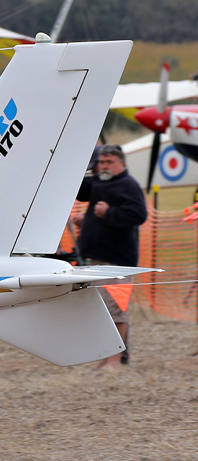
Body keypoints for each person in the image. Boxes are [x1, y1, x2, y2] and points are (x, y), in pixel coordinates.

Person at [72, 143, 148, 370]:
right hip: (96, 259)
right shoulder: (99, 182)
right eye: (101, 162)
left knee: (116, 311)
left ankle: (115, 361)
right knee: (103, 311)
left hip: (118, 261)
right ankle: (104, 357)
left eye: (109, 162)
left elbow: (138, 214)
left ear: (121, 164)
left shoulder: (128, 185)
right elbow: (78, 188)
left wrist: (108, 213)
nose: (104, 166)